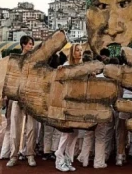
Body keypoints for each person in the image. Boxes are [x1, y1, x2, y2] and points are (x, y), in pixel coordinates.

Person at [7, 35, 38, 167]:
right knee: (15, 127)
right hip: (17, 97)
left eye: (32, 44)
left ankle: (30, 154)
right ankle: (14, 155)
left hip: (31, 97)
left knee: (32, 128)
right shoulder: (15, 60)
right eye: (30, 44)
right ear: (23, 45)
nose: (31, 46)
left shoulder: (36, 61)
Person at [55, 44, 83, 172]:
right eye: (77, 50)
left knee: (75, 134)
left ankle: (68, 159)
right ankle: (59, 159)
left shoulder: (83, 67)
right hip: (67, 103)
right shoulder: (66, 66)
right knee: (66, 133)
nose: (80, 53)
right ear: (72, 52)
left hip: (78, 104)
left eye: (81, 50)